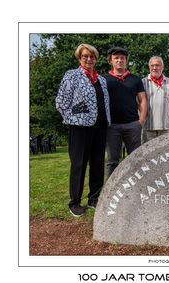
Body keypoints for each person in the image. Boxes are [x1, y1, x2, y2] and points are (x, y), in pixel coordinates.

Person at [56, 43, 111, 217]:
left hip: (100, 127)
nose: (89, 59)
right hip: (80, 127)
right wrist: (74, 115)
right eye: (85, 56)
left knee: (97, 164)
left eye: (92, 56)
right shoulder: (72, 75)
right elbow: (61, 102)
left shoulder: (101, 79)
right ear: (80, 58)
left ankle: (94, 199)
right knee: (79, 164)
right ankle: (75, 203)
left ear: (96, 59)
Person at [104, 47, 147, 178]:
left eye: (122, 58)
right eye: (116, 57)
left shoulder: (135, 79)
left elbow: (143, 100)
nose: (119, 60)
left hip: (132, 125)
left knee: (136, 159)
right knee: (112, 161)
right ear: (110, 60)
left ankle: (138, 188)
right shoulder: (104, 79)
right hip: (112, 126)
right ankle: (110, 192)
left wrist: (141, 121)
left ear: (126, 60)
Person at [141, 56, 169, 143]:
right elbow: (138, 104)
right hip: (148, 127)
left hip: (166, 128)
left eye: (157, 65)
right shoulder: (143, 83)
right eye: (152, 65)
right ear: (149, 67)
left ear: (162, 67)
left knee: (167, 154)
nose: (154, 68)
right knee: (147, 154)